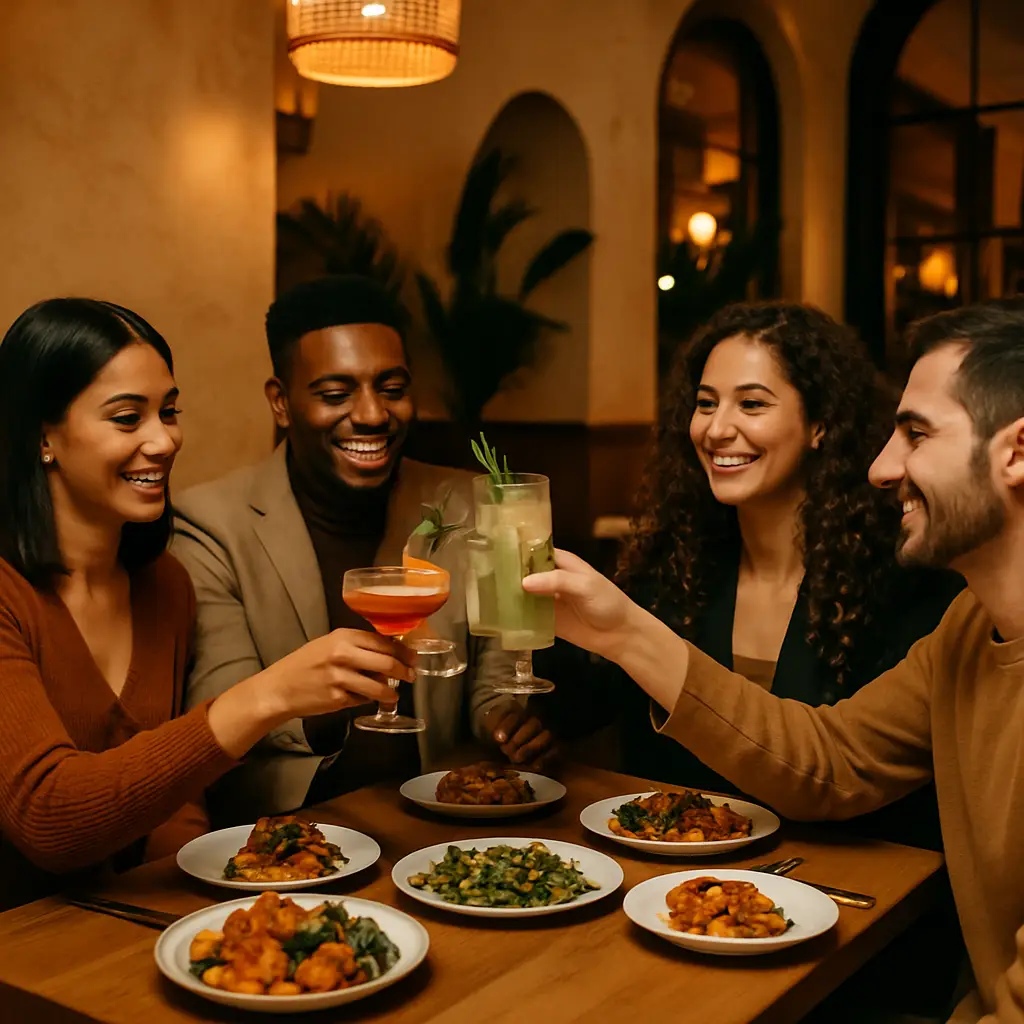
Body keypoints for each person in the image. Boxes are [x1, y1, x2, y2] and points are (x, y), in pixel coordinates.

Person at [524, 300, 1024, 1023]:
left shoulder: (922, 601)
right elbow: (827, 760)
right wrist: (626, 632)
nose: (882, 467)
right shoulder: (969, 630)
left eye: (915, 434)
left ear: (1014, 452)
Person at [0, 298, 410, 911]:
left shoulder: (164, 582)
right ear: (43, 436)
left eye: (168, 411)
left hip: (123, 925)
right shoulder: (10, 594)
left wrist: (205, 910)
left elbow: (175, 794)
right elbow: (49, 818)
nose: (164, 440)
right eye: (126, 417)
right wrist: (264, 697)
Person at [172, 275, 552, 824]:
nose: (373, 414)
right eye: (335, 394)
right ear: (281, 403)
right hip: (297, 830)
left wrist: (503, 719)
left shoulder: (468, 504)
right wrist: (326, 697)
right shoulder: (211, 524)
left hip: (442, 826)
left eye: (392, 388)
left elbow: (493, 675)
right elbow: (225, 706)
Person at [612, 302, 961, 849]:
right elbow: (593, 703)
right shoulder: (672, 567)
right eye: (705, 404)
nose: (717, 429)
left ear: (820, 424)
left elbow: (850, 772)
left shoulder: (902, 579)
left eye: (751, 403)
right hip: (671, 883)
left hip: (847, 886)